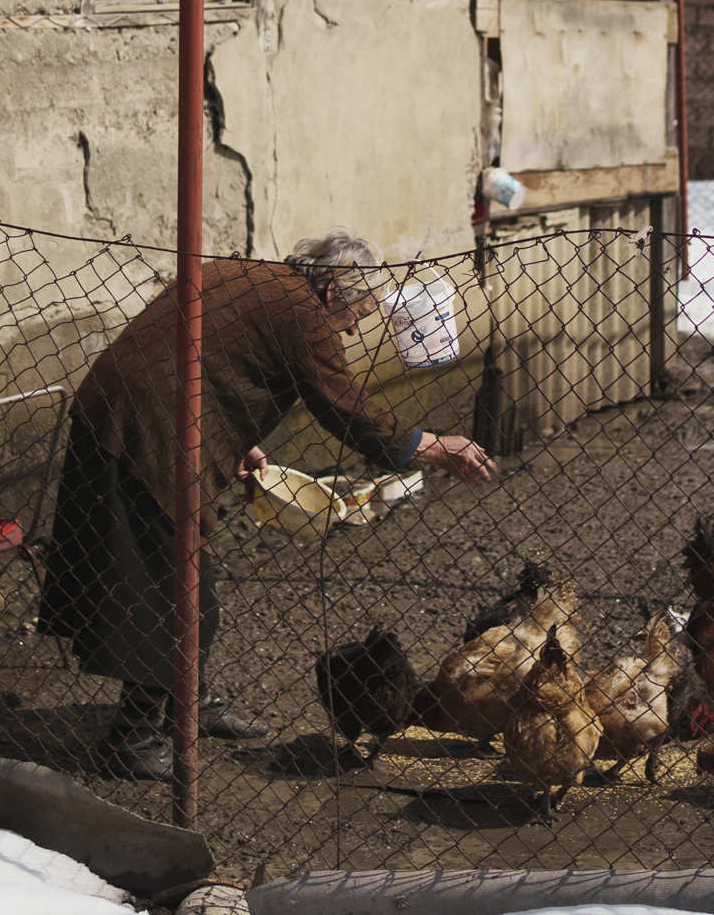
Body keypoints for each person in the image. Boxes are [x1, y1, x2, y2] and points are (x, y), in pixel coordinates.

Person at [42, 230, 497, 780]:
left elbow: (210, 356)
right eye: (358, 313)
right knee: (172, 590)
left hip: (126, 411)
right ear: (334, 291)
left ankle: (189, 703)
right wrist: (431, 445)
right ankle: (131, 738)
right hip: (146, 433)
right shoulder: (304, 315)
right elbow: (341, 405)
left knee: (188, 576)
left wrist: (231, 435)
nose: (355, 327)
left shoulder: (253, 276)